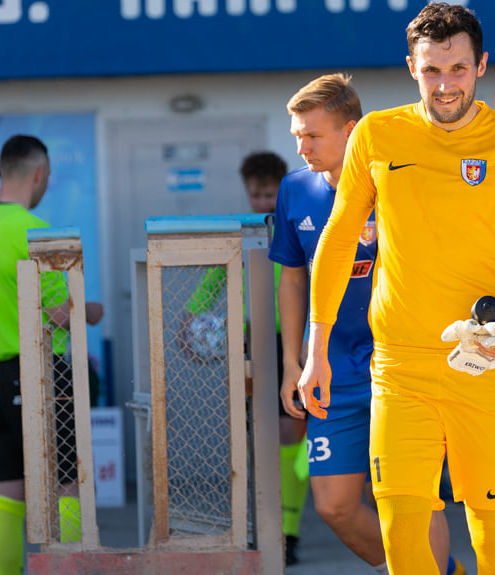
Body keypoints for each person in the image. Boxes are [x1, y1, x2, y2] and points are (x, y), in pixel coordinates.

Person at [296, 5, 495, 573]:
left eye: (458, 68)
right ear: (411, 68)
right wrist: (315, 348)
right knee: (402, 528)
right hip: (400, 367)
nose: (445, 85)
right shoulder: (376, 134)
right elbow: (338, 238)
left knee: (493, 531)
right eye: (431, 70)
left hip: (488, 366)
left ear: (482, 66)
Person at [273, 73, 465, 575]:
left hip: (399, 365)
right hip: (330, 371)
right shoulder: (295, 190)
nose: (303, 147)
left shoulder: (397, 183)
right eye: (297, 135)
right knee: (334, 504)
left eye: (313, 135)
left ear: (351, 131)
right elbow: (292, 281)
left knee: (415, 498)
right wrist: (293, 361)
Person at [0, 135, 104, 575]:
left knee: (9, 486)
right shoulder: (33, 230)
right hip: (40, 373)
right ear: (39, 173)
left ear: (1, 173)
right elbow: (62, 313)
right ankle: (69, 567)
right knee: (67, 480)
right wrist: (91, 310)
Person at [185, 150, 310, 565]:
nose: (261, 203)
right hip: (250, 341)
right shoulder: (242, 232)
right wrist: (190, 323)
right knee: (258, 437)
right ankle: (263, 523)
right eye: (255, 195)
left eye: (269, 194)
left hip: (291, 342)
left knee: (291, 434)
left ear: (283, 190)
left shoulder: (297, 227)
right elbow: (211, 283)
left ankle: (288, 531)